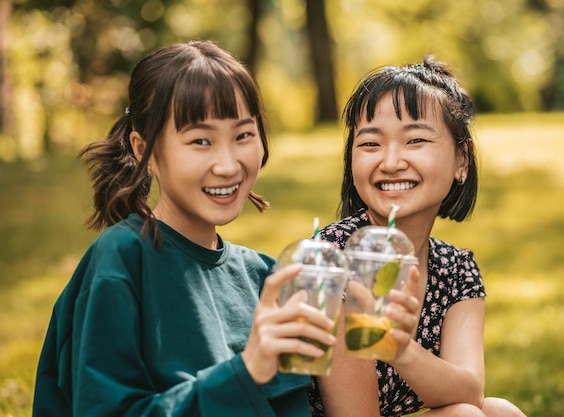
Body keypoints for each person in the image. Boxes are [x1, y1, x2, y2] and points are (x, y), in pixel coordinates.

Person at [32, 40, 336, 417]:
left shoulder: (264, 276)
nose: (227, 165)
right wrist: (245, 371)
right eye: (200, 141)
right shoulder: (122, 261)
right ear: (144, 150)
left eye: (243, 135)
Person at [308, 56, 527, 417]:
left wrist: (398, 348)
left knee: (500, 411)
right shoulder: (331, 260)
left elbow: (470, 390)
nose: (391, 161)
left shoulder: (456, 270)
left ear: (462, 160)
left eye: (415, 140)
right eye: (370, 144)